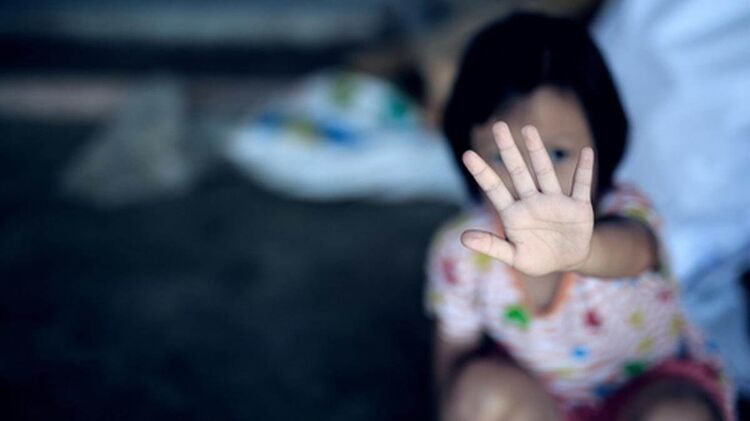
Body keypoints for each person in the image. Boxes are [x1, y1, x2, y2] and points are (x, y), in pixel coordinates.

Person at [426, 13, 733, 420]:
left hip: (650, 389)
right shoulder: (464, 248)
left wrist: (582, 249)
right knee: (478, 389)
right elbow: (455, 353)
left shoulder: (625, 211)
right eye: (501, 157)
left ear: (603, 144)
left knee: (675, 414)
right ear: (465, 153)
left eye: (557, 154)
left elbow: (634, 250)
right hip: (543, 404)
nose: (533, 182)